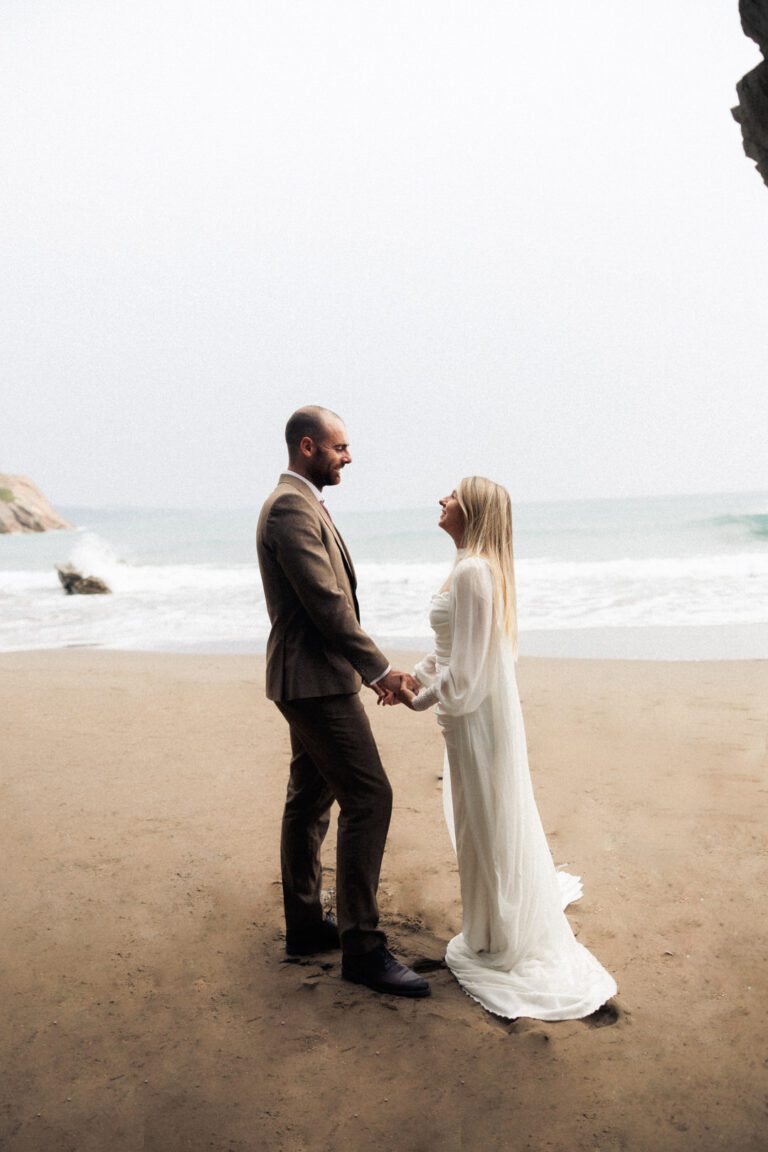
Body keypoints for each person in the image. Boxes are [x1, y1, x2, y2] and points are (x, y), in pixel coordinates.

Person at [389, 477, 617, 1020]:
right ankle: (489, 923)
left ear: (471, 510)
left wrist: (414, 701)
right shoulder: (468, 567)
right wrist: (412, 676)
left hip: (471, 722)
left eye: (450, 495)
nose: (440, 500)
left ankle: (495, 935)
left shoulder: (473, 572)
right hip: (467, 719)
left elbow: (465, 676)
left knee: (484, 821)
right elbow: (450, 649)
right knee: (479, 819)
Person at [256, 405, 430, 998]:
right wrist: (378, 670)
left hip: (311, 677)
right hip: (314, 681)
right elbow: (326, 604)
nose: (347, 457)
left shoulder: (300, 503)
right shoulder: (288, 507)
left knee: (309, 798)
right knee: (369, 796)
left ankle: (306, 925)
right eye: (339, 448)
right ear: (308, 447)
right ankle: (362, 946)